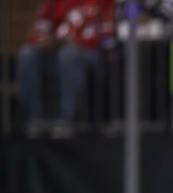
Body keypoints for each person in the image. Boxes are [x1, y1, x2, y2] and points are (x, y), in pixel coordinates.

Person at [17, 0, 115, 138]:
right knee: (26, 54)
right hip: (56, 49)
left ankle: (65, 119)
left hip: (90, 51)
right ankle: (35, 119)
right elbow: (41, 27)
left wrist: (79, 42)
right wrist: (42, 39)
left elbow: (107, 37)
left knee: (68, 54)